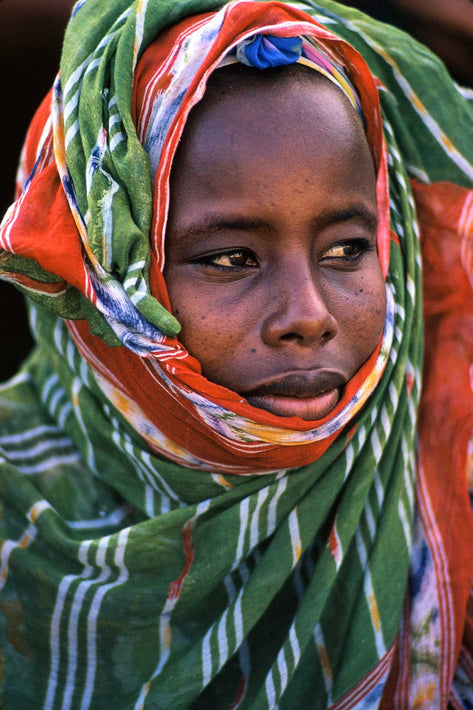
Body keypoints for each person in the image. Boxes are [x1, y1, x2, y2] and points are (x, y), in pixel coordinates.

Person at [0, 0, 472, 707]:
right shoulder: (18, 521)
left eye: (346, 250)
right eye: (230, 258)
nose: (307, 317)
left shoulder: (448, 478)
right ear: (107, 284)